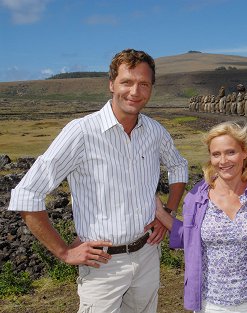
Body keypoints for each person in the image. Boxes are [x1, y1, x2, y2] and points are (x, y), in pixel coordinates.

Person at [8, 48, 188, 312]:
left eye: (143, 84)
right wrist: (65, 252)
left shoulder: (154, 131)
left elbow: (178, 165)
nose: (135, 92)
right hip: (102, 264)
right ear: (111, 84)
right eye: (127, 82)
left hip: (148, 253)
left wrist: (168, 213)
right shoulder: (81, 132)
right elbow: (27, 193)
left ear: (151, 88)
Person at [155, 121, 247, 313]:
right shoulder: (197, 198)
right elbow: (189, 238)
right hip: (210, 304)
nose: (223, 161)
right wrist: (161, 214)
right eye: (216, 154)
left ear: (244, 153)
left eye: (231, 152)